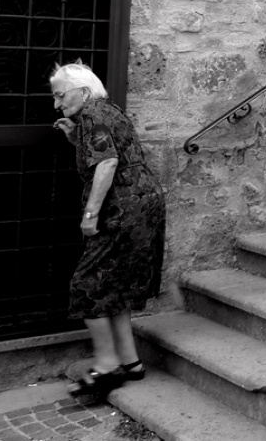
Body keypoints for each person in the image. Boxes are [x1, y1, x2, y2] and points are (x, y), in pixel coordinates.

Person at [51, 60, 166, 398]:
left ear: (82, 91)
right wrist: (75, 139)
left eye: (60, 96)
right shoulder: (105, 110)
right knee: (114, 283)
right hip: (142, 202)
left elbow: (108, 162)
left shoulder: (91, 114)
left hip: (123, 207)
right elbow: (111, 150)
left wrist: (90, 213)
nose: (57, 104)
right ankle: (130, 362)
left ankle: (106, 365)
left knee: (88, 284)